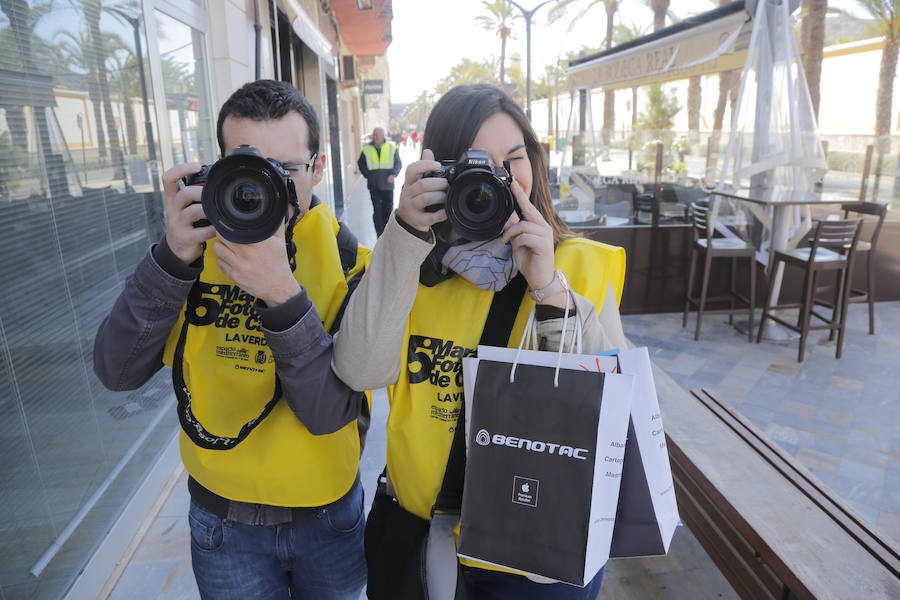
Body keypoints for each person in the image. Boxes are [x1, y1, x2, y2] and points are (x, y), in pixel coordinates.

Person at [333, 83, 628, 599]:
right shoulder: (410, 265)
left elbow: (607, 412)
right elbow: (359, 372)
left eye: (514, 159)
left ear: (534, 164)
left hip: (541, 545)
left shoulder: (577, 266)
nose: (499, 178)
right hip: (428, 531)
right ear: (441, 174)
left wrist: (549, 289)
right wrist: (403, 234)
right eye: (476, 166)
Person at [94, 80, 369, 600]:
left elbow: (329, 412)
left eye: (285, 170)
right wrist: (170, 257)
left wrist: (283, 296)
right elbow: (116, 370)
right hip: (223, 520)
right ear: (218, 165)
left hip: (327, 515)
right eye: (248, 167)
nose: (265, 187)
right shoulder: (194, 253)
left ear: (319, 167)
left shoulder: (350, 262)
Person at [358, 127, 402, 237]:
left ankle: (388, 233)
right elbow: (361, 163)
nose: (375, 136)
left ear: (383, 136)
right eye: (374, 134)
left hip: (388, 185)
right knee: (377, 211)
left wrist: (393, 174)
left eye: (377, 134)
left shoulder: (392, 147)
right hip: (374, 185)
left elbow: (398, 163)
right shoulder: (367, 148)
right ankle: (380, 235)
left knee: (388, 209)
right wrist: (368, 174)